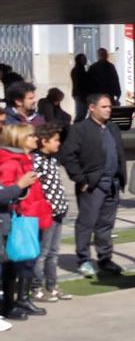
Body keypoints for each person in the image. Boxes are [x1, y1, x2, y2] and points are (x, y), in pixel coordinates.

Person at [59, 93, 123, 280]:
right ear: (91, 108)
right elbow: (67, 156)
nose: (108, 110)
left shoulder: (112, 128)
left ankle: (105, 258)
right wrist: (81, 179)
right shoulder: (79, 129)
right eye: (104, 107)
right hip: (92, 186)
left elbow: (117, 153)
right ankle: (84, 259)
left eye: (109, 106)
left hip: (113, 183)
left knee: (106, 225)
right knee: (87, 223)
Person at [0, 122, 51, 322]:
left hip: (22, 217)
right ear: (19, 138)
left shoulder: (24, 160)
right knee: (9, 264)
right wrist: (20, 187)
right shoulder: (11, 162)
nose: (35, 139)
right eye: (31, 136)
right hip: (11, 219)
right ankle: (9, 305)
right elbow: (5, 194)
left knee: (16, 263)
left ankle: (16, 302)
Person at [31, 125, 72, 303]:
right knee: (43, 252)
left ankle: (52, 285)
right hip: (45, 213)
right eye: (55, 140)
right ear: (44, 141)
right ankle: (36, 287)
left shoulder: (52, 159)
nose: (58, 143)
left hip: (58, 211)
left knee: (53, 252)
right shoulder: (36, 161)